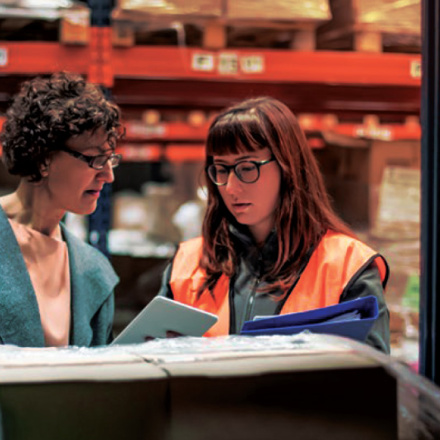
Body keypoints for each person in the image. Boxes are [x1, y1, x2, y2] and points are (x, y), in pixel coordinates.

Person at [157, 96, 390, 353]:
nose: (231, 187)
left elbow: (372, 381)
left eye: (247, 168)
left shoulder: (348, 265)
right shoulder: (187, 264)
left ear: (288, 166)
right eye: (221, 170)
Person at [0, 72, 123, 347]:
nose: (107, 175)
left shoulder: (94, 271)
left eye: (110, 159)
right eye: (95, 159)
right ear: (43, 158)